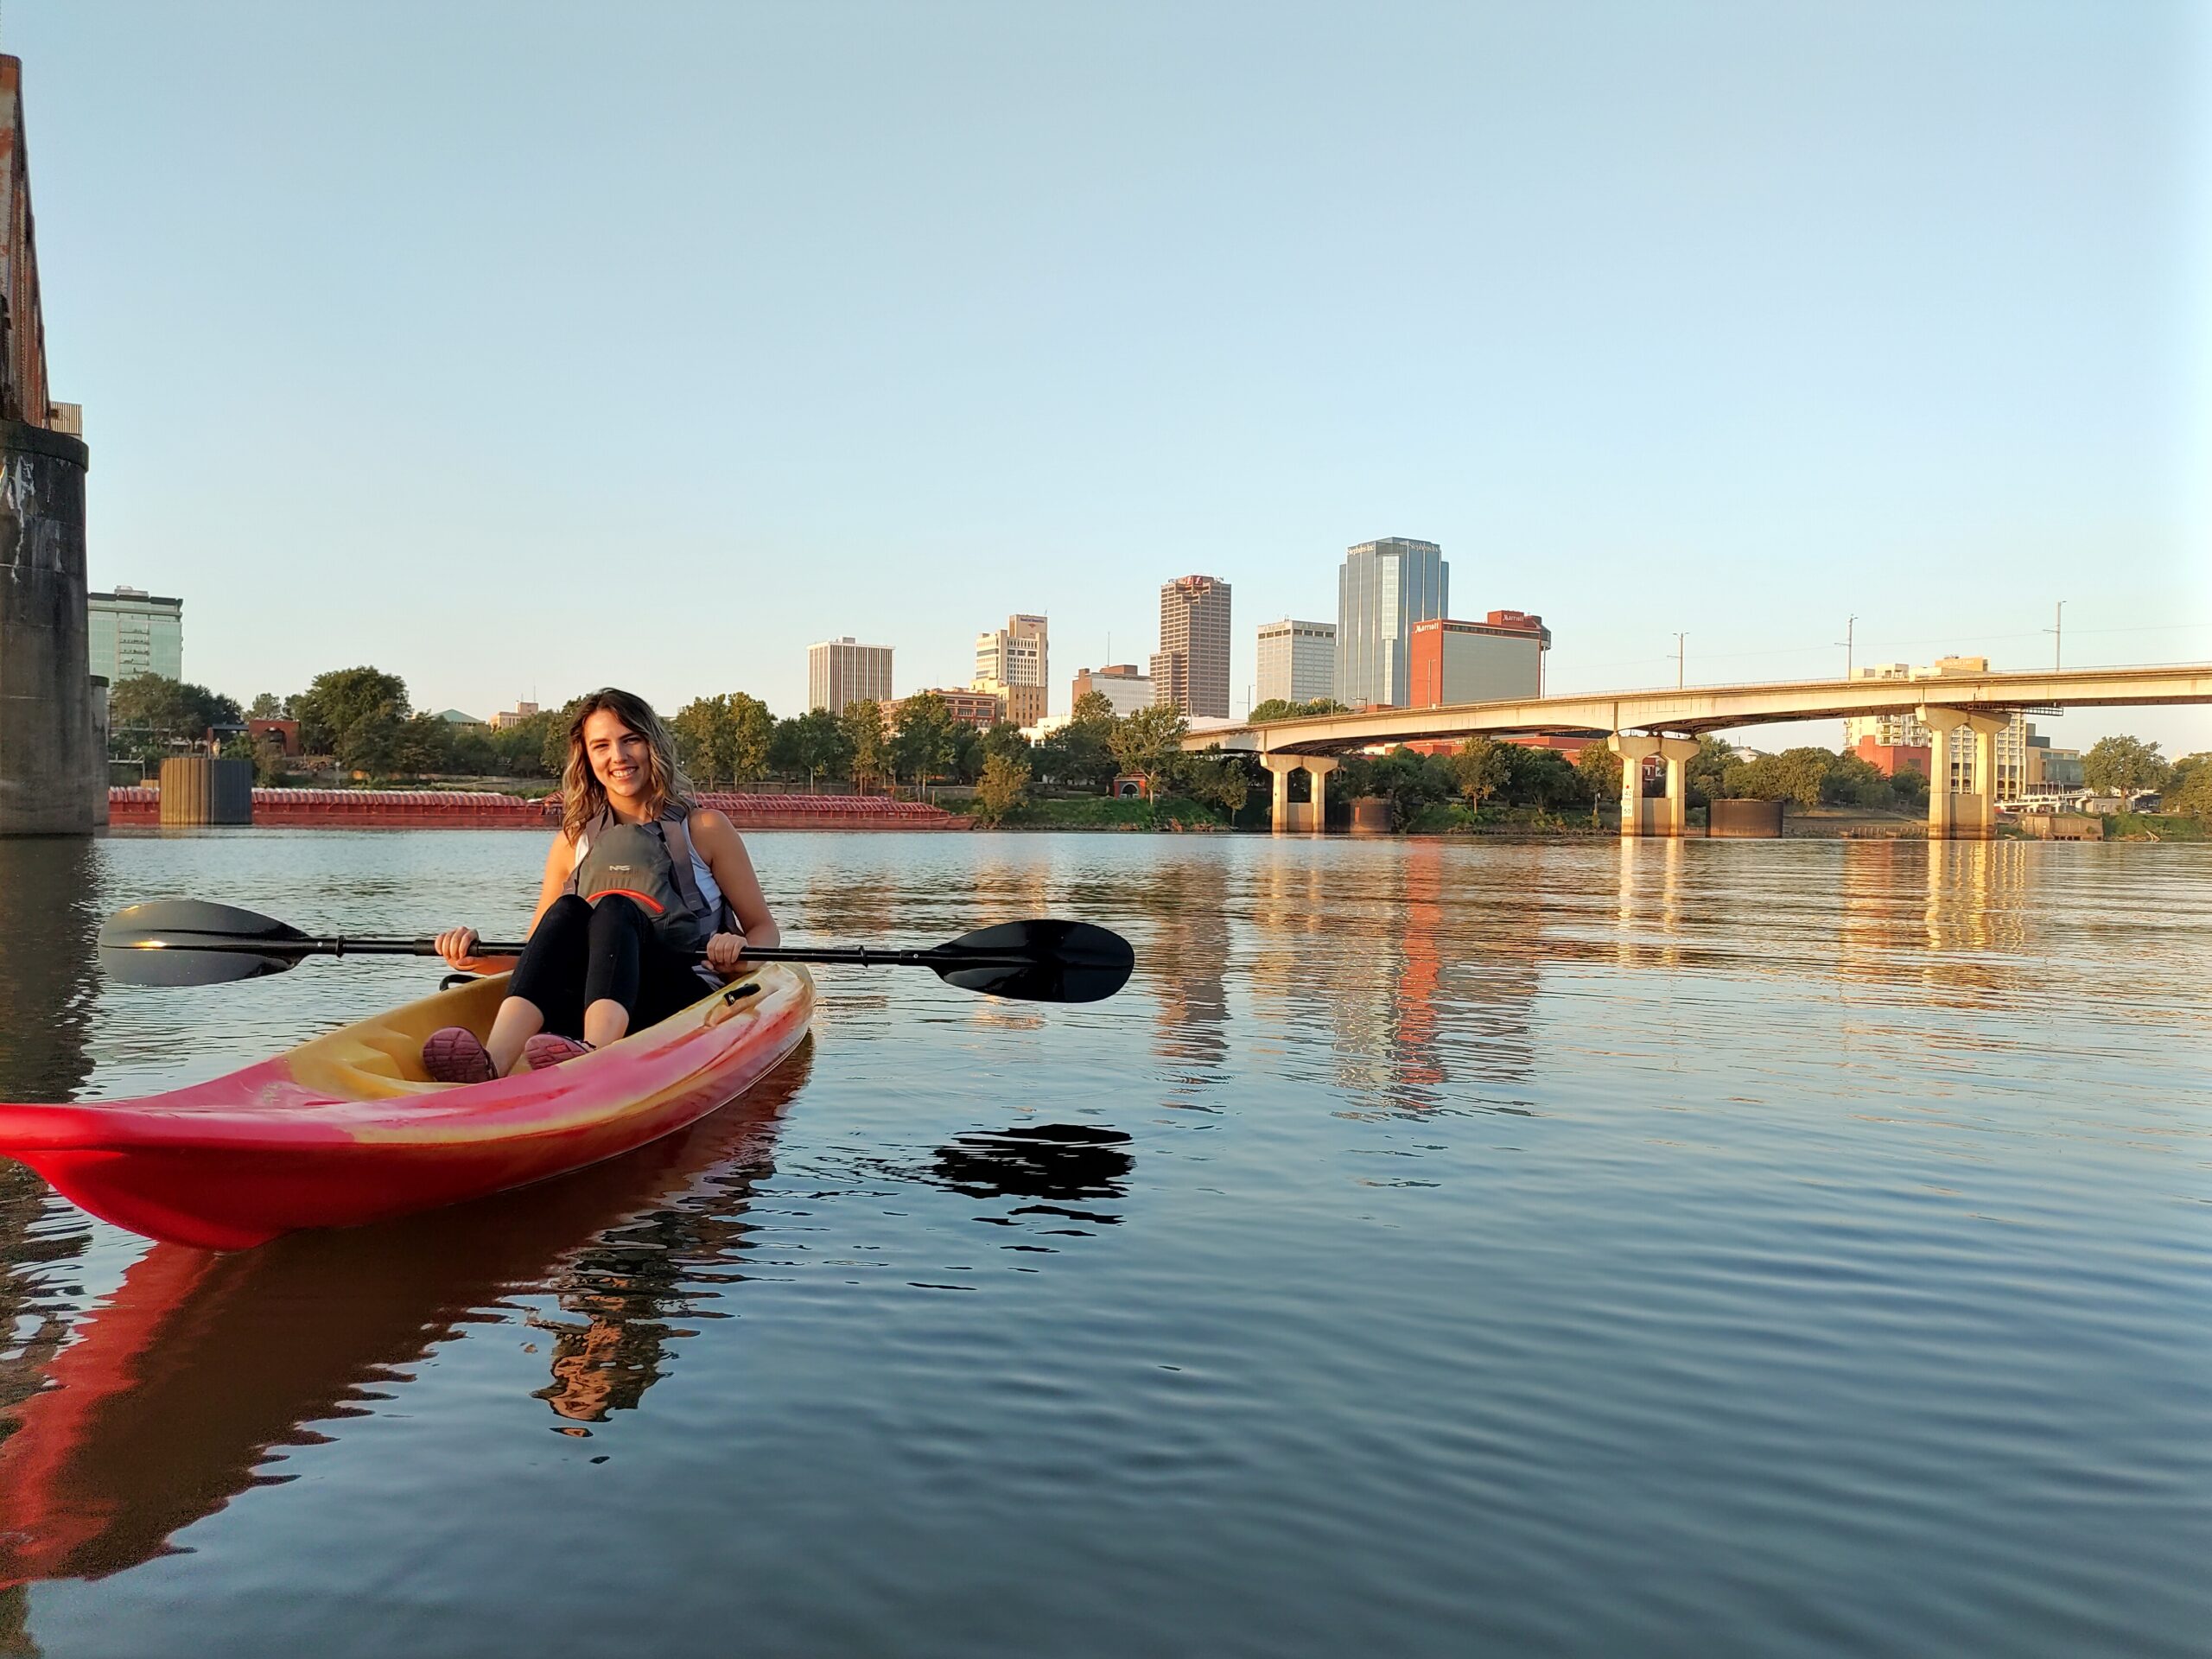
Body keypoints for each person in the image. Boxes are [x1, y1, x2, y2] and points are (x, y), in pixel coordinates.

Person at [420, 688, 780, 1082]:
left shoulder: (705, 829)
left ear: (653, 744)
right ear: (587, 758)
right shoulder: (573, 842)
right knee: (568, 911)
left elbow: (764, 928)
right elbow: (538, 952)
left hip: (677, 1000)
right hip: (583, 1003)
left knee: (613, 907)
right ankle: (494, 1062)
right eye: (602, 746)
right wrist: (473, 957)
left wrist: (741, 951)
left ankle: (595, 1058)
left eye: (631, 740)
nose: (618, 757)